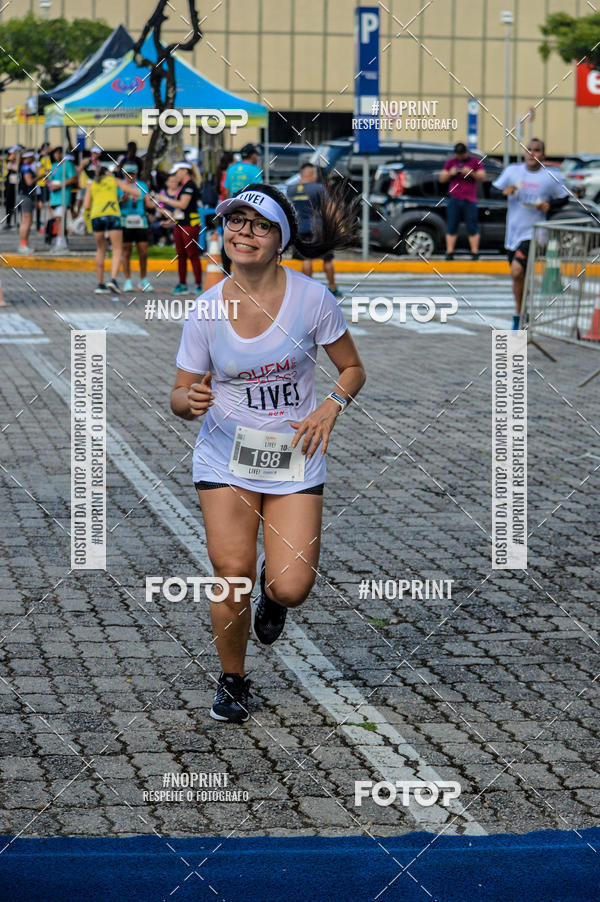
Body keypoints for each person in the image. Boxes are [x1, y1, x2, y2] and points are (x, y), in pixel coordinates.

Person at [170, 182, 365, 723]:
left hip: (293, 454)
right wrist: (191, 400)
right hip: (225, 456)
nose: (244, 233)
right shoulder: (206, 310)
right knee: (232, 570)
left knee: (292, 584)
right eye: (235, 222)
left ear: (281, 239)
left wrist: (331, 406)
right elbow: (178, 395)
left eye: (258, 225)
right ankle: (233, 680)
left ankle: (274, 600)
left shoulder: (312, 300)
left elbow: (352, 368)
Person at [493, 138, 569, 329]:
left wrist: (549, 205)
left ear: (543, 154)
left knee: (517, 271)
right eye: (529, 150)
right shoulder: (513, 171)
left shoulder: (550, 176)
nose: (532, 153)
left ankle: (517, 315)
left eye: (537, 150)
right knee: (519, 276)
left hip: (535, 233)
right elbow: (493, 189)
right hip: (513, 234)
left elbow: (565, 198)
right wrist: (504, 192)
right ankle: (523, 309)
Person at [287, 163, 342, 297]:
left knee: (306, 259)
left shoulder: (291, 190)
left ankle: (307, 289)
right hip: (318, 229)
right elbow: (330, 208)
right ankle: (333, 287)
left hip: (299, 229)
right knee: (327, 260)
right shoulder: (318, 188)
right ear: (312, 174)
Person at [84, 162, 139, 294]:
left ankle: (100, 283)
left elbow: (86, 205)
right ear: (107, 173)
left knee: (100, 249)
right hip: (112, 215)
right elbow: (134, 192)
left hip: (96, 216)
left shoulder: (91, 183)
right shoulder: (114, 180)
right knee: (117, 249)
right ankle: (113, 280)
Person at [158, 161, 203, 294]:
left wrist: (165, 200)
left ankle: (198, 285)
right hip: (180, 224)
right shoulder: (183, 186)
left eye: (177, 172)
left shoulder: (190, 185)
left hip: (190, 225)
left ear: (184, 171)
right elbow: (180, 210)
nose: (175, 175)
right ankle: (182, 284)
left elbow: (183, 205)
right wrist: (171, 221)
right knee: (181, 255)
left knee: (192, 254)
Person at [439, 141, 486, 261]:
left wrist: (471, 173)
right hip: (454, 198)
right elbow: (442, 179)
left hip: (470, 199)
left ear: (466, 152)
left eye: (462, 154)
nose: (460, 157)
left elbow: (483, 177)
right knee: (452, 225)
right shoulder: (451, 163)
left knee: (472, 225)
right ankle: (450, 252)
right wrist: (451, 173)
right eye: (458, 154)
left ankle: (474, 252)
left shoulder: (474, 162)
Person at [118, 161, 155, 291]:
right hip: (125, 220)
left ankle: (143, 279)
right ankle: (127, 280)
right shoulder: (120, 186)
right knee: (126, 251)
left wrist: (158, 203)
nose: (130, 177)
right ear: (124, 174)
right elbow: (115, 204)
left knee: (143, 251)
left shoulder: (142, 185)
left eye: (133, 174)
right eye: (128, 174)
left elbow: (149, 204)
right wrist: (121, 200)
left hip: (140, 220)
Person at [47, 146, 77, 248]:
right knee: (58, 220)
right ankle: (62, 239)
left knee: (60, 219)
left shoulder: (67, 164)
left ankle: (60, 241)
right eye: (55, 153)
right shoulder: (54, 165)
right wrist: (50, 185)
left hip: (63, 196)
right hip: (54, 196)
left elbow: (73, 178)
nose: (57, 155)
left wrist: (60, 185)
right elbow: (50, 179)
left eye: (59, 153)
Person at [17, 150, 38, 253]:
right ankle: (23, 244)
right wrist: (40, 176)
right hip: (26, 196)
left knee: (24, 221)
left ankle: (23, 244)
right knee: (27, 221)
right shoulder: (26, 167)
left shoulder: (23, 166)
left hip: (23, 195)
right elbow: (29, 182)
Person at [4, 145, 20, 230]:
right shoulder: (8, 161)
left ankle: (17, 221)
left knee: (17, 204)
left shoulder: (20, 162)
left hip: (18, 185)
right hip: (10, 186)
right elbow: (9, 166)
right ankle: (8, 222)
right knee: (9, 204)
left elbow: (17, 169)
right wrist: (12, 157)